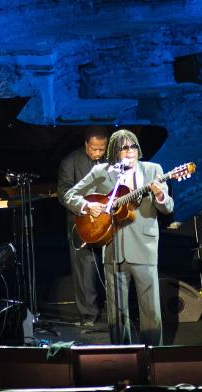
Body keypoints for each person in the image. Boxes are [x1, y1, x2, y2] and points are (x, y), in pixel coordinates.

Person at [63, 129, 173, 345]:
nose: (130, 151)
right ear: (114, 151)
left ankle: (154, 358)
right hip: (113, 250)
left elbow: (167, 207)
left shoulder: (153, 170)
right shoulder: (102, 172)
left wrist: (160, 195)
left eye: (133, 146)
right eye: (124, 147)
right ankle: (122, 361)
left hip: (144, 247)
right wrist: (87, 205)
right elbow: (70, 195)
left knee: (151, 311)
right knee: (117, 316)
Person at [57, 126, 109, 327]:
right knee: (85, 270)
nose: (98, 153)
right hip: (81, 222)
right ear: (86, 144)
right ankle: (88, 316)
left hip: (108, 222)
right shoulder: (70, 162)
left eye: (101, 149)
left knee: (113, 265)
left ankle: (115, 310)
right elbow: (63, 193)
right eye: (94, 149)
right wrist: (86, 207)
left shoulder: (110, 161)